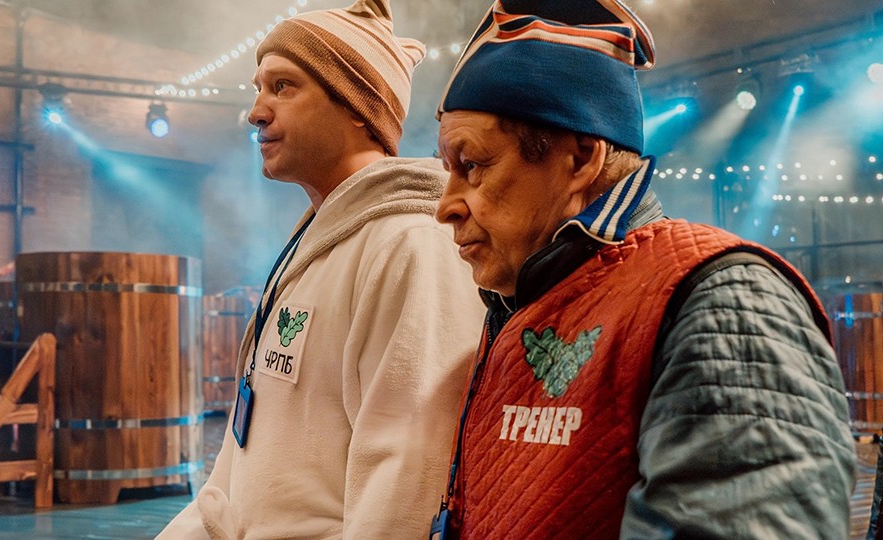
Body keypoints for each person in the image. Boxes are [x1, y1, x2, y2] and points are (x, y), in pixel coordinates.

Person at [429, 1, 856, 538]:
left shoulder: (724, 300)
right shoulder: (519, 304)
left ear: (580, 158)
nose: (445, 206)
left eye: (471, 165)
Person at [159, 1, 484, 538]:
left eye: (283, 87)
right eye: (258, 89)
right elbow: (235, 475)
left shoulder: (411, 246)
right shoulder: (313, 244)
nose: (256, 112)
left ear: (358, 105)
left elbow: (406, 482)